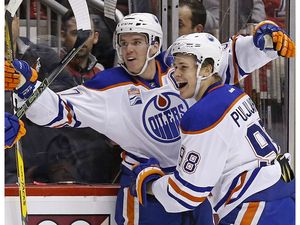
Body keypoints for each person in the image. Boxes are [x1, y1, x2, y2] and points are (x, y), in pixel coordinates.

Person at [6, 13, 295, 225]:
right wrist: (25, 87)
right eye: (123, 43)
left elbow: (227, 54)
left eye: (137, 42)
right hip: (149, 192)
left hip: (195, 187)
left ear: (155, 45)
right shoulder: (107, 86)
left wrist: (264, 41)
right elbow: (56, 111)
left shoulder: (179, 67)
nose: (128, 50)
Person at [132, 33, 295, 224]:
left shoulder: (203, 114)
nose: (175, 74)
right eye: (175, 67)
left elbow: (185, 195)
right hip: (285, 191)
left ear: (207, 68)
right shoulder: (233, 93)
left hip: (256, 209)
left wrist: (148, 181)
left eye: (183, 67)